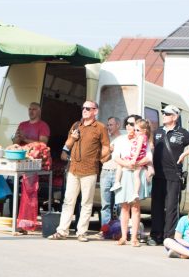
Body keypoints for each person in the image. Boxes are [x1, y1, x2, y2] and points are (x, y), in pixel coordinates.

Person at [48, 100, 111, 241]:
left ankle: (81, 232)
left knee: (86, 203)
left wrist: (100, 158)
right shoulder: (77, 125)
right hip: (73, 169)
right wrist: (73, 137)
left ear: (95, 111)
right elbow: (68, 144)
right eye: (83, 108)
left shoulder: (100, 127)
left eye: (88, 108)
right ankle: (62, 231)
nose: (84, 110)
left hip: (90, 170)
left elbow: (106, 146)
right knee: (68, 201)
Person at [149, 105, 189, 246]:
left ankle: (169, 236)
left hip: (173, 174)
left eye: (167, 114)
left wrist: (185, 154)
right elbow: (152, 148)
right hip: (158, 174)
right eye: (163, 113)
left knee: (171, 207)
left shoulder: (182, 132)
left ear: (175, 117)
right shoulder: (158, 131)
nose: (164, 115)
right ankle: (156, 236)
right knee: (156, 206)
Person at [114, 118, 154, 246]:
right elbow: (115, 157)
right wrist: (127, 164)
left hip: (137, 172)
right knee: (124, 207)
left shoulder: (142, 139)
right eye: (129, 124)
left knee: (135, 207)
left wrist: (136, 163)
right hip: (125, 173)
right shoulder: (121, 140)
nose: (131, 127)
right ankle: (124, 237)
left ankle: (134, 238)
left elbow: (149, 157)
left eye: (134, 125)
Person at [99, 116, 124, 231]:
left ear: (118, 125)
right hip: (105, 171)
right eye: (108, 125)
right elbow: (100, 158)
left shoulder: (123, 139)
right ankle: (105, 229)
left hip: (118, 172)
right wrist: (109, 150)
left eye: (111, 125)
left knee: (118, 204)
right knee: (105, 204)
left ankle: (118, 229)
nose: (108, 127)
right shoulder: (105, 139)